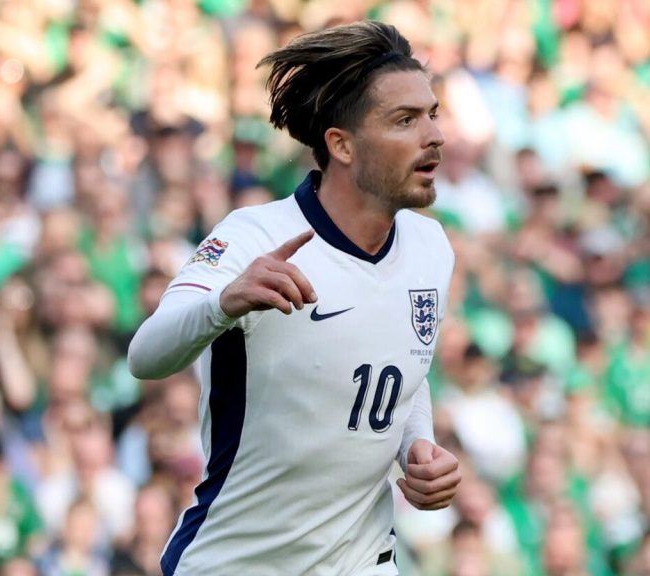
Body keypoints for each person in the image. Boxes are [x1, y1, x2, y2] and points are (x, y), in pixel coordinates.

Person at [128, 20, 461, 575]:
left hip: (365, 561)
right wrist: (224, 304)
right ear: (342, 145)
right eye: (405, 121)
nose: (434, 135)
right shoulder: (253, 236)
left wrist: (417, 448)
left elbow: (403, 368)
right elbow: (145, 356)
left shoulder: (431, 246)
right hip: (239, 562)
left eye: (432, 114)